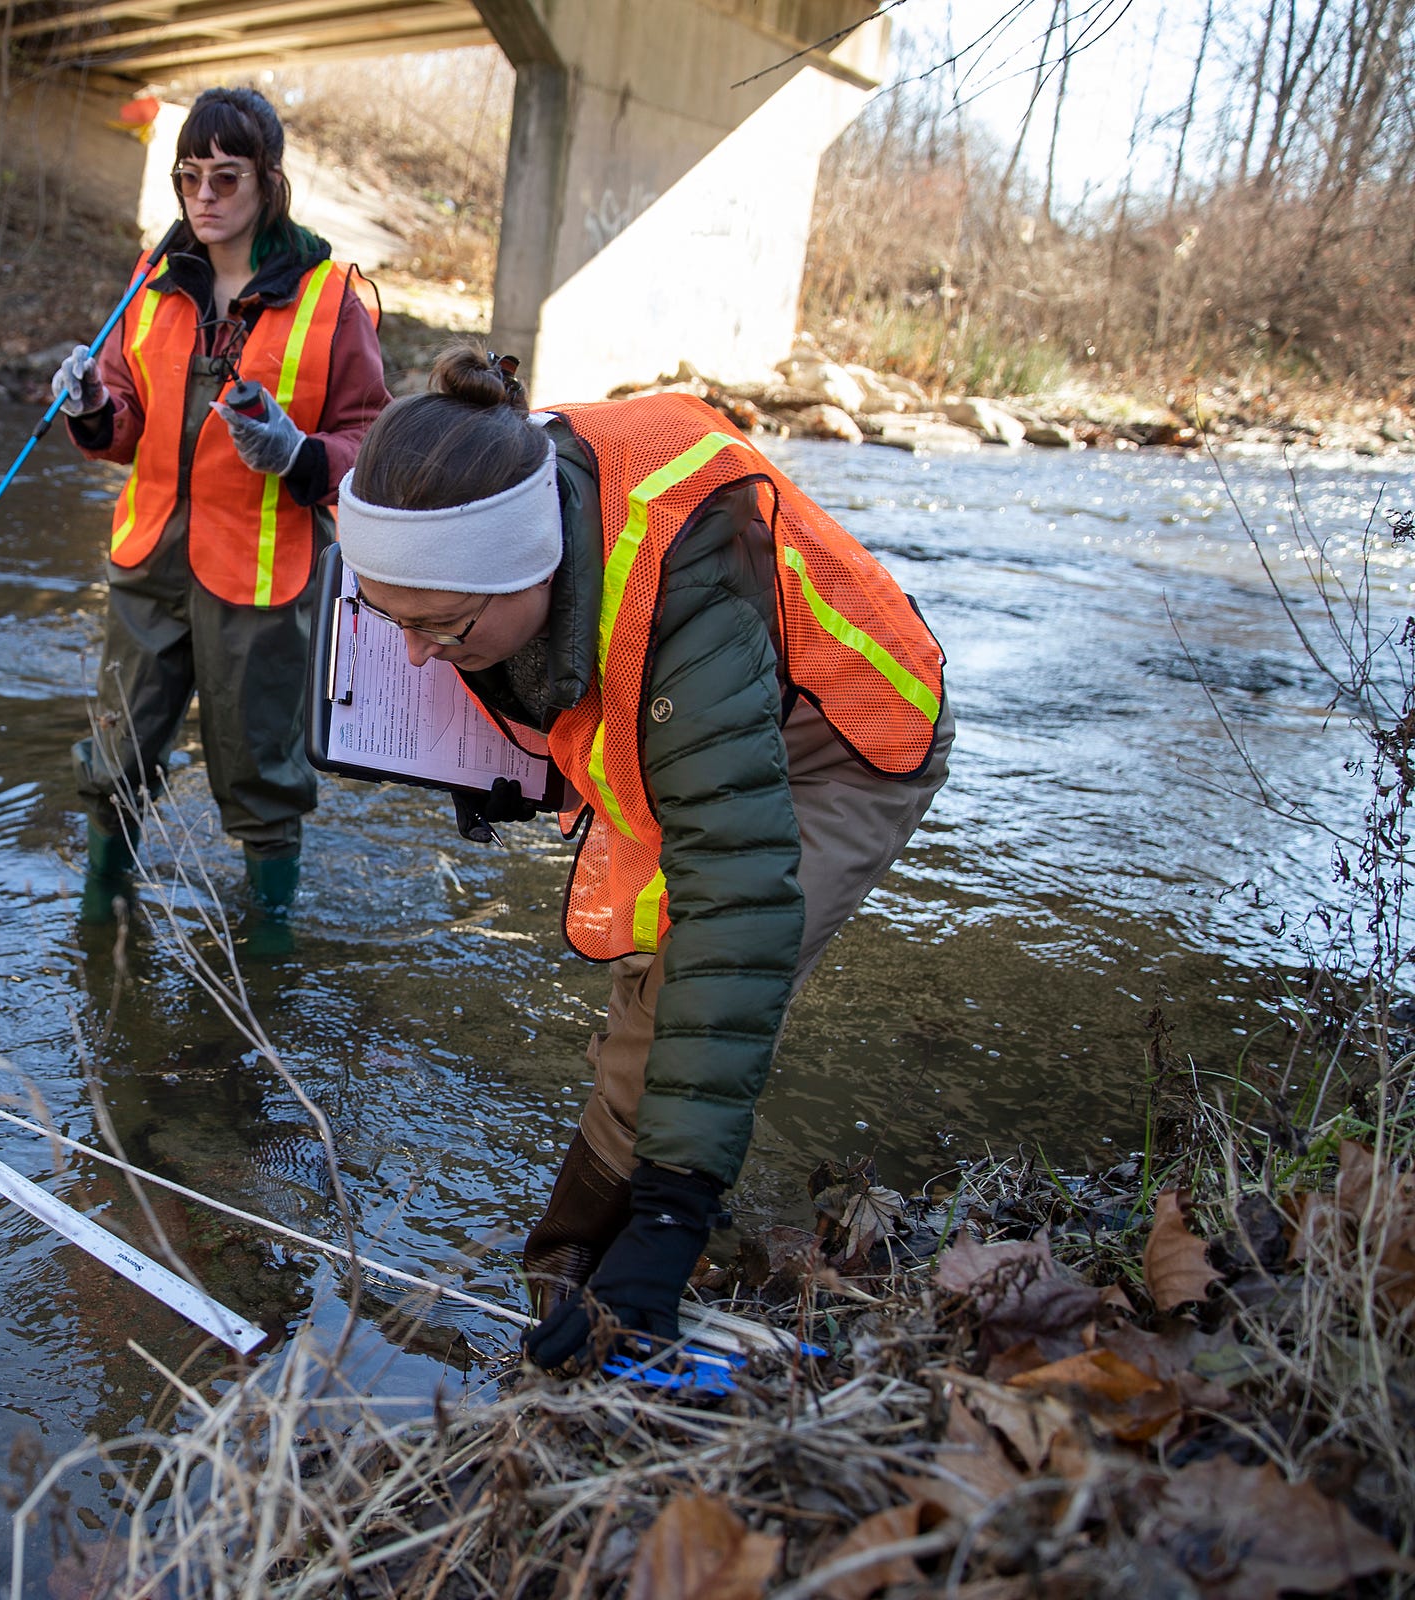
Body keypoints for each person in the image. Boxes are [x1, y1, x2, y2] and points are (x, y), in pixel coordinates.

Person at [332, 346, 953, 1368]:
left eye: (441, 626)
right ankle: (567, 1273)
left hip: (844, 739)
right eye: (395, 617)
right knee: (643, 1010)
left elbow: (737, 914)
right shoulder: (495, 481)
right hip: (694, 721)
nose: (410, 653)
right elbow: (542, 650)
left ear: (527, 568)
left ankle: (618, 1266)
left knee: (679, 994)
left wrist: (672, 1220)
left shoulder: (683, 600)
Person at [52, 86, 388, 948]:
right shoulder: (153, 279)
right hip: (148, 564)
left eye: (225, 178)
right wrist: (93, 405)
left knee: (261, 783)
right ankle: (102, 925)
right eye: (189, 177)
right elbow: (126, 412)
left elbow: (370, 436)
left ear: (268, 182)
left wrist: (299, 455)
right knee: (116, 761)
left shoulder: (329, 298)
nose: (204, 197)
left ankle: (266, 959)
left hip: (265, 576)